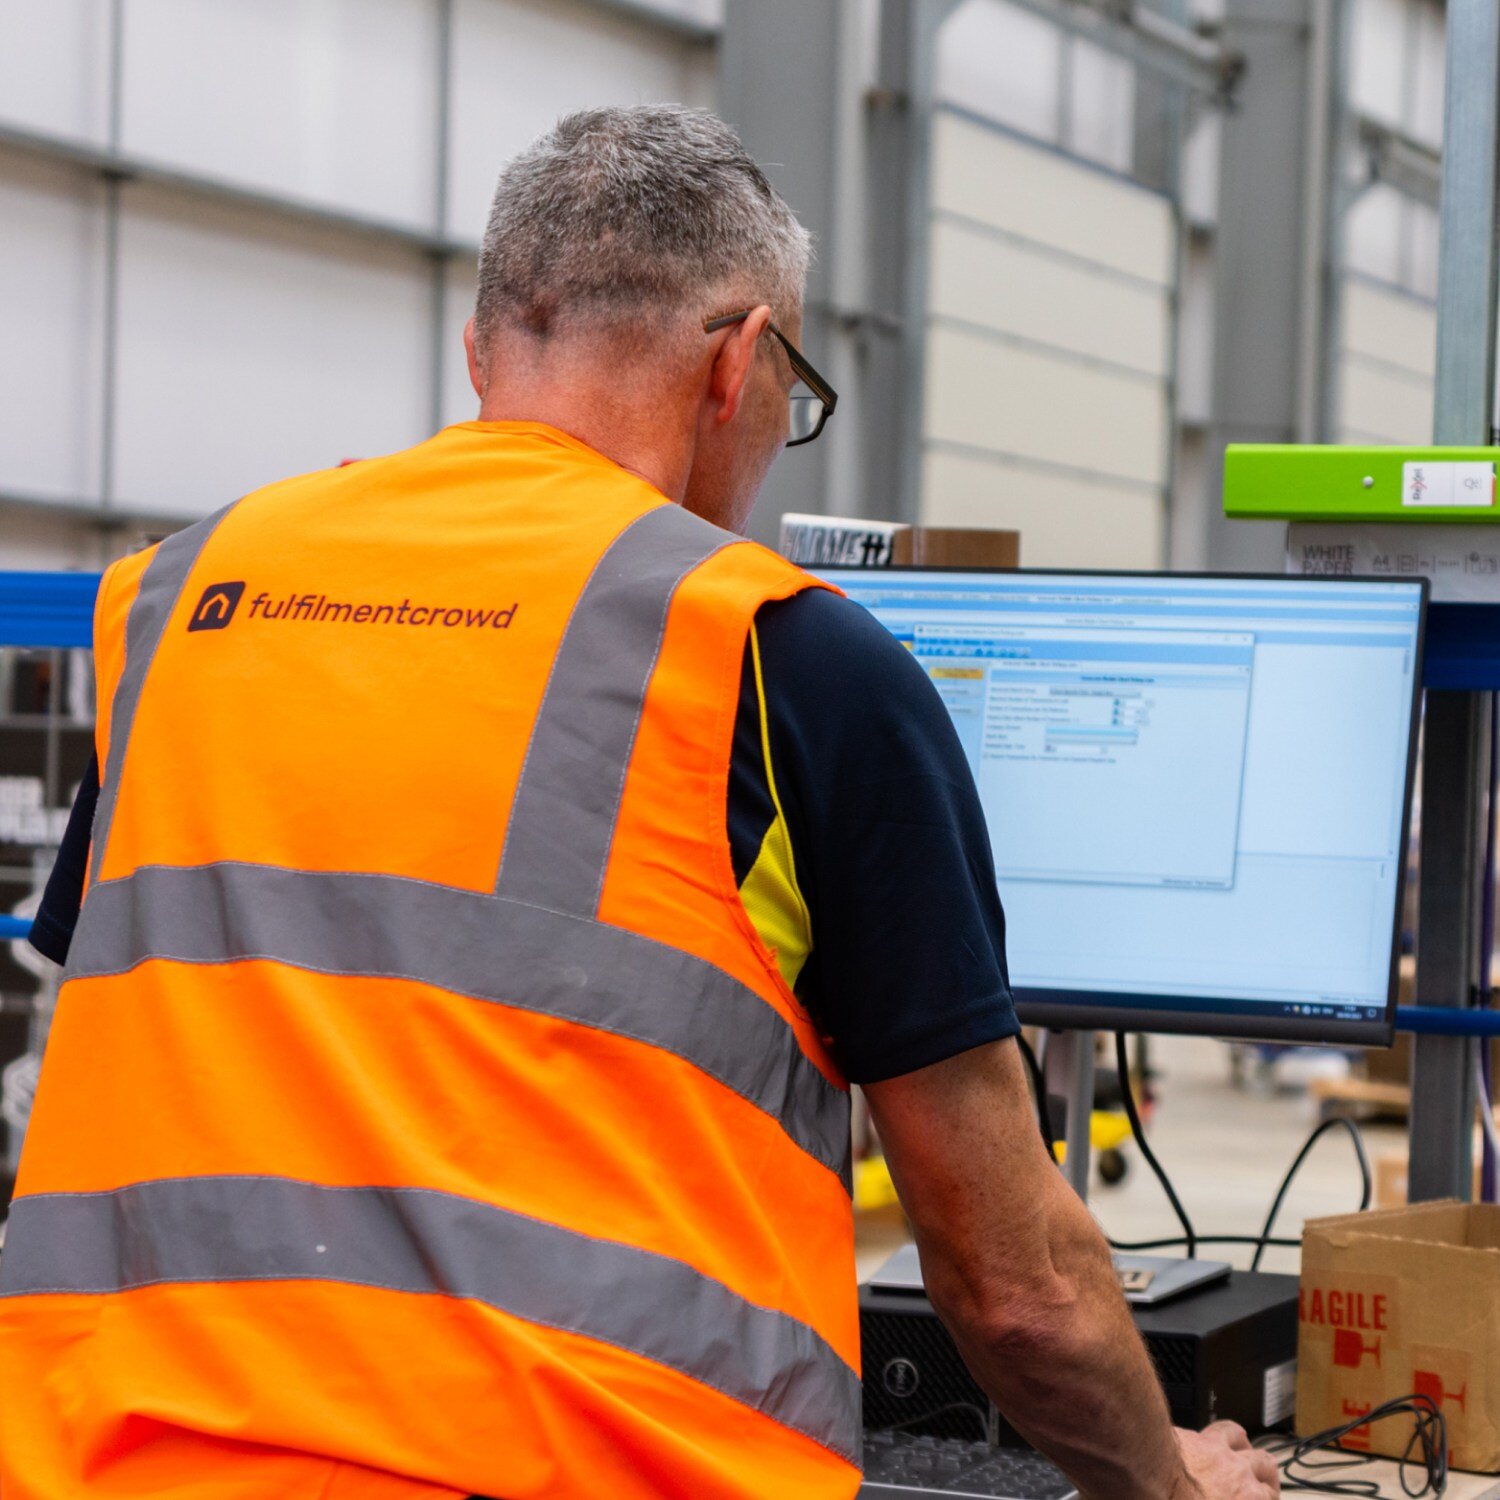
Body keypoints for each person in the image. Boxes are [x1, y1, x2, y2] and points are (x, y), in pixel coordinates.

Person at [0, 106, 1277, 1500]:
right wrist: (1168, 1481)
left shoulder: (176, 599)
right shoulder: (771, 655)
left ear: (482, 352)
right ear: (740, 363)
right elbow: (1017, 1287)